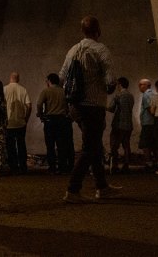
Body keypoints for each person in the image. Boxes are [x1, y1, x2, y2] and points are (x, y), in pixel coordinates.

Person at [59, 16, 121, 202]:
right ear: (98, 31)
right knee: (89, 148)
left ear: (82, 31)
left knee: (94, 145)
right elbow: (110, 80)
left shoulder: (72, 50)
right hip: (93, 106)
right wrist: (108, 87)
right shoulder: (100, 49)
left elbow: (62, 77)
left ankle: (102, 187)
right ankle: (72, 190)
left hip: (76, 107)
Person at [36, 73, 70, 174]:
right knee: (61, 145)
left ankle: (52, 168)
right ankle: (62, 167)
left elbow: (39, 103)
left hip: (50, 121)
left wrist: (41, 115)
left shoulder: (46, 91)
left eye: (47, 80)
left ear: (49, 81)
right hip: (62, 120)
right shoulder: (63, 91)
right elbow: (69, 104)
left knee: (50, 145)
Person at [4, 72, 31, 174]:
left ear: (10, 78)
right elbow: (29, 106)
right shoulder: (23, 89)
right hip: (20, 122)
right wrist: (26, 118)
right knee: (21, 145)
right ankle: (23, 167)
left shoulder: (4, 89)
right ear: (18, 79)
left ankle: (13, 167)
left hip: (8, 123)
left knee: (10, 146)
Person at [108, 76, 134, 174]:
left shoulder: (118, 96)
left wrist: (104, 107)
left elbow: (111, 108)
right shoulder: (131, 96)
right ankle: (126, 165)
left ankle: (114, 166)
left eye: (117, 85)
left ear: (120, 84)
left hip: (118, 124)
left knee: (114, 145)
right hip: (128, 124)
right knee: (126, 145)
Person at [138, 78, 157, 170]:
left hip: (147, 123)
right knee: (153, 143)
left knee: (145, 144)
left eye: (140, 84)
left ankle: (149, 163)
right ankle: (157, 162)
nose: (139, 86)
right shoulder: (153, 94)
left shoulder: (146, 95)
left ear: (146, 86)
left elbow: (150, 109)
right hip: (153, 123)